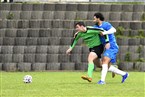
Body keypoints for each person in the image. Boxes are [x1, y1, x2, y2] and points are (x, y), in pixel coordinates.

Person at [93, 12, 129, 84]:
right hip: (106, 47)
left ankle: (102, 81)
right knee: (106, 65)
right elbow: (89, 30)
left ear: (98, 18)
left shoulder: (106, 24)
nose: (93, 20)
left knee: (105, 61)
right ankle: (124, 74)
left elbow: (114, 30)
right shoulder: (96, 27)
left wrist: (104, 33)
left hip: (112, 46)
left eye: (94, 18)